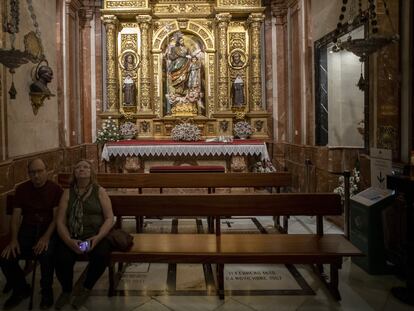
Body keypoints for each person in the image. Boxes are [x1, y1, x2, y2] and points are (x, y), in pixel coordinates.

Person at [0, 158, 63, 310]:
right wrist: (13, 240)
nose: (36, 176)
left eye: (40, 171)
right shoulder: (22, 189)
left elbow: (56, 218)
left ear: (46, 171)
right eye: (32, 172)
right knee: (6, 256)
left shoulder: (55, 189)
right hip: (27, 230)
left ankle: (46, 291)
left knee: (46, 254)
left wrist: (46, 237)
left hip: (48, 230)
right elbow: (15, 218)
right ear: (28, 174)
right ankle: (21, 288)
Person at [54, 159, 114, 310]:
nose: (82, 169)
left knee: (101, 255)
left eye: (86, 167)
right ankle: (67, 290)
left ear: (91, 172)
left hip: (94, 236)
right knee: (61, 258)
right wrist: (69, 241)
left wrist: (98, 237)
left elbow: (109, 218)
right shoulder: (67, 193)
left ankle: (86, 288)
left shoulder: (99, 191)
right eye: (78, 167)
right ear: (74, 172)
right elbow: (60, 221)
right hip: (73, 236)